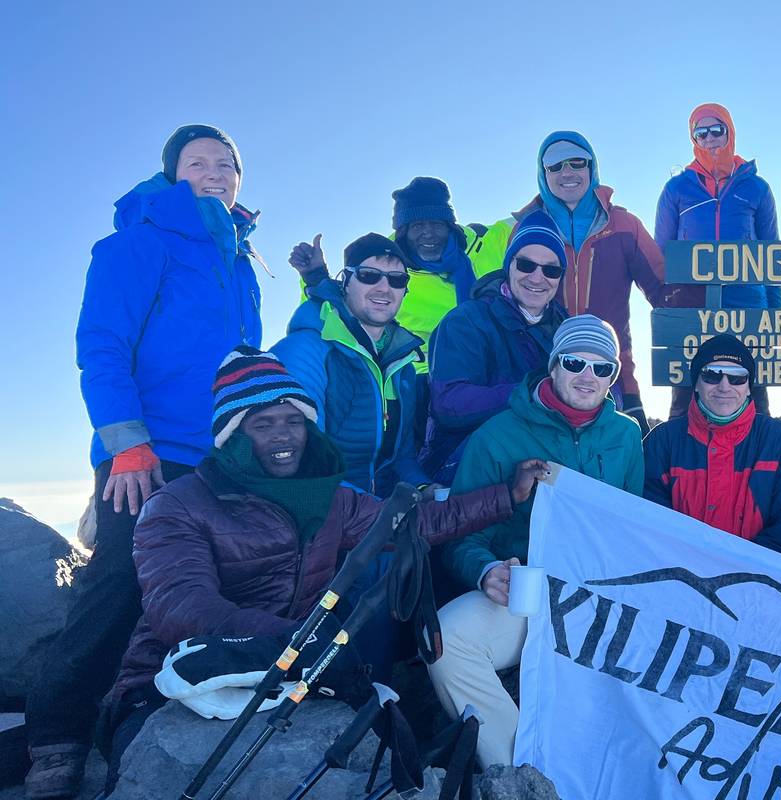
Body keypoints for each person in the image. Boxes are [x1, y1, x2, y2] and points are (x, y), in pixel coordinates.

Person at [95, 347, 529, 793]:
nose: (284, 437)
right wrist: (299, 644)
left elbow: (411, 525)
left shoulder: (330, 499)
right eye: (263, 425)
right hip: (168, 683)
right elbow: (182, 608)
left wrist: (506, 496)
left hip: (290, 673)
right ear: (232, 435)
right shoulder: (177, 505)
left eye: (294, 421)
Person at [28, 124, 263, 799]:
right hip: (148, 455)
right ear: (173, 175)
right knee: (119, 588)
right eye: (199, 163)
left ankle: (137, 713)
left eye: (227, 164)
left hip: (218, 459)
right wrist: (128, 443)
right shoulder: (139, 243)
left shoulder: (238, 258)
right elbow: (102, 344)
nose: (215, 173)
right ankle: (57, 735)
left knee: (190, 591)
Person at [429, 315, 644, 767]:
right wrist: (486, 572)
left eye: (602, 368)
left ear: (613, 378)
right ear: (553, 366)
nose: (588, 376)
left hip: (600, 598)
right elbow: (459, 533)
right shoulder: (497, 435)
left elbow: (633, 525)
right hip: (527, 592)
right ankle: (523, 772)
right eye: (574, 362)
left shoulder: (626, 435)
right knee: (446, 639)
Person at [504, 131, 671, 431]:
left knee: (630, 468)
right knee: (542, 471)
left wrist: (713, 297)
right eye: (555, 166)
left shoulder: (624, 226)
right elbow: (508, 300)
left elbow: (666, 293)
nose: (567, 172)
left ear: (591, 168)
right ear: (543, 174)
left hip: (613, 377)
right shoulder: (526, 230)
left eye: (576, 163)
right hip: (540, 375)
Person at [272, 234, 428, 496]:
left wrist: (424, 488)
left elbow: (402, 460)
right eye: (369, 275)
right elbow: (303, 462)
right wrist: (375, 512)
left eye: (397, 279)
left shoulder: (403, 366)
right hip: (313, 513)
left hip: (367, 514)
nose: (383, 287)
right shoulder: (305, 351)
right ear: (345, 282)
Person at [422, 211, 572, 480]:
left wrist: (603, 395)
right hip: (465, 462)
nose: (537, 278)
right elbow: (448, 404)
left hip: (543, 459)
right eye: (526, 265)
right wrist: (534, 394)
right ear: (509, 265)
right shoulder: (467, 321)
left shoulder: (566, 329)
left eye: (551, 269)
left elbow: (599, 378)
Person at [655, 103, 781, 418]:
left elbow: (773, 257)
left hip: (748, 308)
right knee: (685, 394)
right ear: (693, 137)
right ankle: (676, 461)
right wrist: (667, 308)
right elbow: (660, 256)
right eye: (701, 132)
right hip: (692, 308)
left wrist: (777, 316)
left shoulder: (756, 187)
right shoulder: (676, 189)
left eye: (716, 130)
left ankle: (761, 460)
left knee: (752, 390)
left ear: (729, 132)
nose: (709, 138)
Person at [643, 334, 781, 559]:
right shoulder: (662, 443)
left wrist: (740, 570)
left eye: (737, 377)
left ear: (749, 387)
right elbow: (649, 521)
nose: (724, 386)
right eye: (712, 375)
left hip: (758, 583)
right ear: (696, 383)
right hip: (679, 582)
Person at [287, 176, 512, 348]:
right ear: (403, 232)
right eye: (417, 226)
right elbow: (336, 314)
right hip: (424, 373)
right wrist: (314, 276)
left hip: (502, 351)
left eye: (436, 223)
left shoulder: (488, 243)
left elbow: (540, 209)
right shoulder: (387, 275)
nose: (428, 234)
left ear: (450, 226)